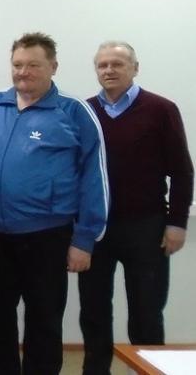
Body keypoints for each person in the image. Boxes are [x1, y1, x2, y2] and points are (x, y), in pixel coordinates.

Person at [0, 32, 109, 375]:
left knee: (44, 320)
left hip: (46, 237)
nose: (23, 72)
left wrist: (84, 239)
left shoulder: (73, 111)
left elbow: (95, 177)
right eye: (18, 65)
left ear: (53, 66)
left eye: (33, 65)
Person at [78, 41, 193, 375]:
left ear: (135, 68)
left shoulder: (161, 109)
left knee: (146, 312)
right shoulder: (85, 111)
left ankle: (148, 370)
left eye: (117, 64)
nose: (109, 70)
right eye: (102, 65)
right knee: (94, 312)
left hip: (147, 227)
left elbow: (182, 171)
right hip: (97, 228)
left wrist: (177, 222)